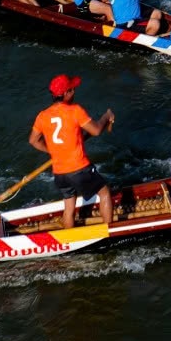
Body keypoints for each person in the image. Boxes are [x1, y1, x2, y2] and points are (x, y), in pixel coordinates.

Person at [31, 74, 115, 227]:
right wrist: (106, 116)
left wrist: (53, 151)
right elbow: (96, 131)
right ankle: (109, 232)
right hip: (79, 169)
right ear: (65, 93)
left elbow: (33, 141)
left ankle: (69, 238)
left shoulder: (42, 116)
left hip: (59, 173)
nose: (74, 92)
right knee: (104, 193)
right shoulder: (75, 110)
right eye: (72, 89)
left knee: (69, 207)